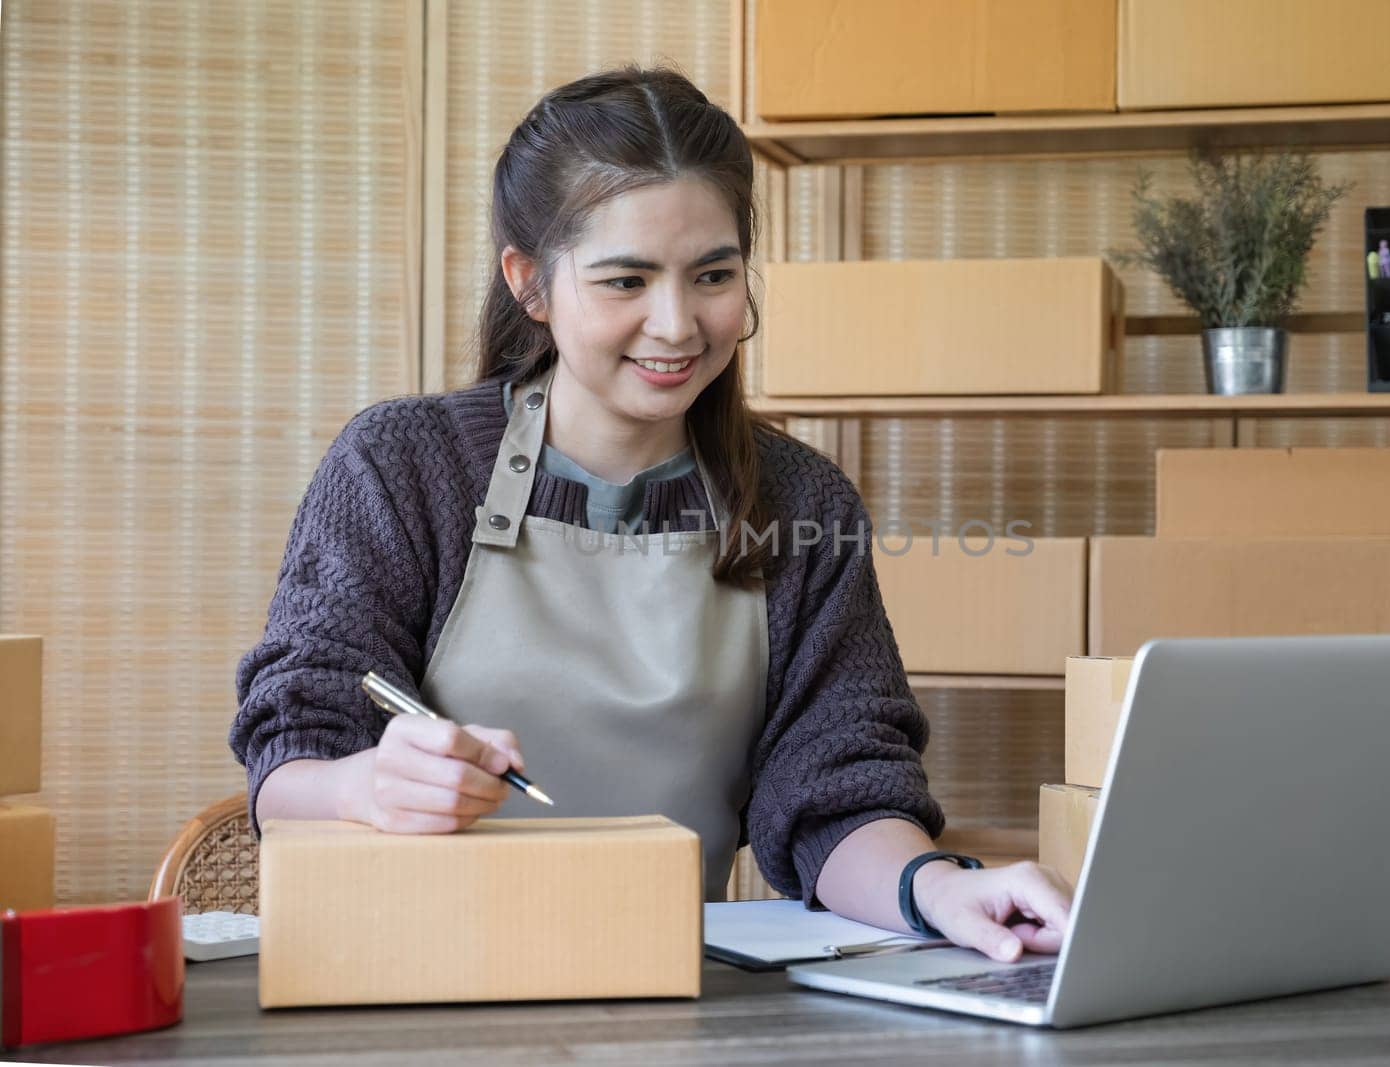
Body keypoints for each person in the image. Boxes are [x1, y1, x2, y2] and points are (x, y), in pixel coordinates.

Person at [230, 65, 1071, 963]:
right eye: (626, 281)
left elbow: (840, 794)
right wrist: (362, 786)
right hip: (419, 969)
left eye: (712, 275)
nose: (676, 325)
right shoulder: (404, 466)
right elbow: (291, 756)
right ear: (531, 282)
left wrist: (941, 886)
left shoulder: (801, 501)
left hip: (673, 980)